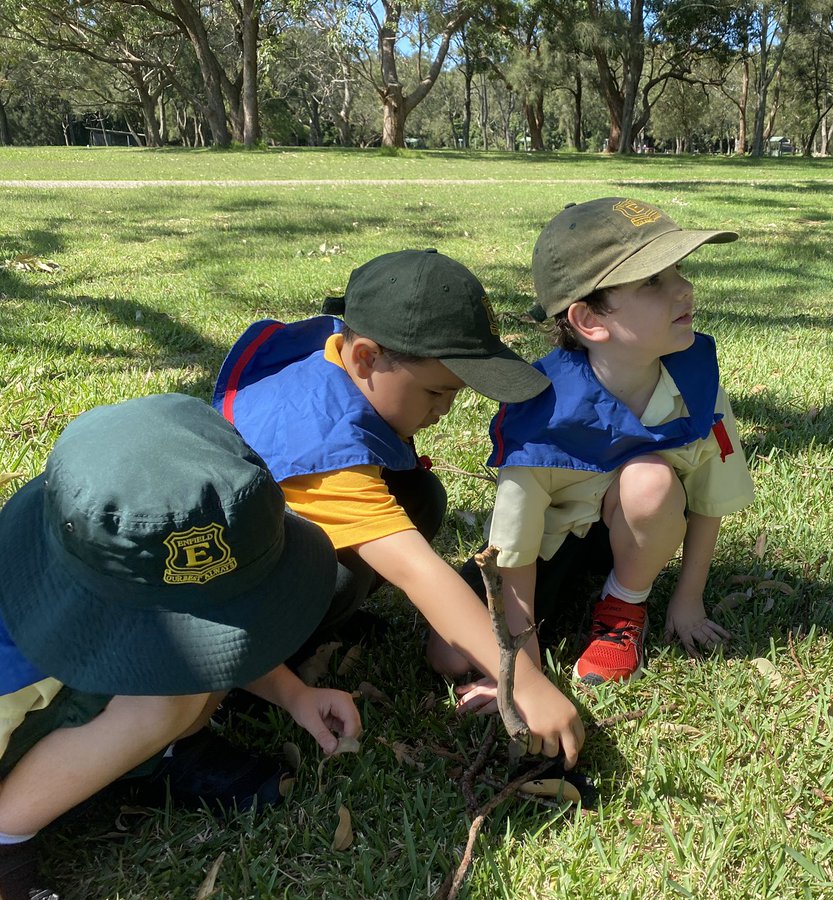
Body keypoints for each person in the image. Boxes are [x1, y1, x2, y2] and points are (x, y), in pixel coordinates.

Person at [212, 249, 585, 760]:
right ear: (366, 357)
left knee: (418, 495)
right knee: (331, 574)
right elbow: (419, 572)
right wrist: (525, 683)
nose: (445, 409)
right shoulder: (324, 447)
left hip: (268, 531)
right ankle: (253, 672)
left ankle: (322, 623)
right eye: (435, 392)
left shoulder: (338, 350)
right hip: (222, 596)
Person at [0, 394, 362, 900]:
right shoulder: (14, 665)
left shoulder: (83, 555)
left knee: (183, 677)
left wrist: (291, 693)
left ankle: (156, 755)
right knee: (169, 695)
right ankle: (8, 840)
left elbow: (220, 625)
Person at [464, 197, 755, 688]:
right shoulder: (541, 409)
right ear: (589, 322)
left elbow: (711, 496)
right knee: (449, 657)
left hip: (641, 528)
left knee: (652, 480)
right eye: (653, 281)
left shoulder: (694, 380)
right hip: (549, 547)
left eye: (678, 269)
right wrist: (523, 663)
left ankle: (623, 609)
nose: (684, 288)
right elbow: (513, 546)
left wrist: (688, 600)